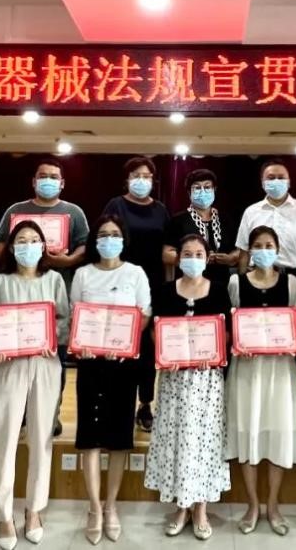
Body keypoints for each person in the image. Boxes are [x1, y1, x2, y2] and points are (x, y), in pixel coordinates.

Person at [0, 220, 70, 548]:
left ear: (44, 247)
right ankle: (4, 516)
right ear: (11, 247)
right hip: (8, 367)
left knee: (41, 438)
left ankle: (34, 510)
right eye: (22, 240)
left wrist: (52, 337)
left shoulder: (54, 279)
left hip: (45, 365)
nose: (28, 246)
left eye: (34, 240)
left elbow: (65, 321)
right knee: (3, 439)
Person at [0, 158, 90, 437]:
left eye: (54, 177)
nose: (48, 181)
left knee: (53, 358)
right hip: (17, 295)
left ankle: (51, 413)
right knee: (17, 357)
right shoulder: (16, 210)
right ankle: (19, 414)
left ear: (62, 183)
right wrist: (14, 260)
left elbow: (84, 245)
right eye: (43, 176)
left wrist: (67, 261)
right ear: (34, 181)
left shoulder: (73, 212)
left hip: (55, 290)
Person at [70, 215, 152, 545]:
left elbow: (144, 314)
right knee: (89, 437)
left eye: (115, 234)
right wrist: (83, 343)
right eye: (103, 234)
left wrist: (126, 342)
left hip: (123, 364)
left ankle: (111, 506)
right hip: (90, 364)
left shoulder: (135, 273)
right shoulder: (82, 274)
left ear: (124, 239)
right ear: (95, 240)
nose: (108, 240)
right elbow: (76, 315)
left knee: (119, 437)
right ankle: (94, 508)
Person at [144, 234, 232, 540]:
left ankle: (201, 508)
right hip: (174, 379)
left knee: (204, 441)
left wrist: (214, 351)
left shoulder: (218, 290)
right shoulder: (165, 290)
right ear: (178, 258)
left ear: (207, 258)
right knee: (177, 439)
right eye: (187, 253)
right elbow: (156, 331)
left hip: (207, 380)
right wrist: (166, 353)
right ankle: (180, 506)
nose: (192, 258)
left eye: (198, 253)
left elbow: (226, 333)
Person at [225, 226, 296, 536]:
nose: (263, 250)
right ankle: (252, 505)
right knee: (247, 431)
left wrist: (292, 343)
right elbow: (232, 327)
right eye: (258, 246)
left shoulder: (292, 283)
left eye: (269, 245)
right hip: (247, 369)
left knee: (278, 432)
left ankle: (272, 505)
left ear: (278, 249)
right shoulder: (236, 283)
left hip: (280, 369)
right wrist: (239, 342)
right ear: (249, 251)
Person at [102, 156, 171, 432]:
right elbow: (104, 239)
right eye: (136, 175)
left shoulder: (161, 210)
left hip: (153, 283)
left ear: (153, 180)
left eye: (146, 176)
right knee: (120, 342)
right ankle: (118, 402)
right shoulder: (115, 205)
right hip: (120, 282)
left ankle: (145, 403)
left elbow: (167, 251)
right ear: (127, 179)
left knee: (147, 348)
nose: (141, 180)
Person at [236, 158, 296, 280]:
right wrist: (242, 281)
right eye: (271, 178)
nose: (276, 181)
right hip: (257, 276)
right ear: (262, 182)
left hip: (295, 276)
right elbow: (244, 252)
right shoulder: (251, 212)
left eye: (281, 177)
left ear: (289, 182)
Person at [164, 168, 240, 288]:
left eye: (207, 187)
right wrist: (194, 258)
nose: (203, 191)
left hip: (221, 284)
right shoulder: (178, 220)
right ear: (189, 192)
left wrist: (231, 258)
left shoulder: (226, 219)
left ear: (214, 189)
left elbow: (239, 250)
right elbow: (166, 254)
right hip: (187, 283)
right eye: (197, 188)